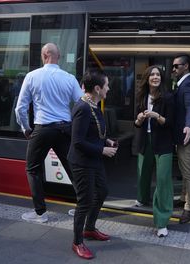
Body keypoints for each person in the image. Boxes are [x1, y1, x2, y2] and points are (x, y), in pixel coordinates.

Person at [15, 43, 83, 223]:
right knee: (72, 167)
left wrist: (26, 128)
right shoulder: (69, 78)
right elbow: (81, 105)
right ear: (58, 56)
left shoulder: (32, 76)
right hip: (65, 128)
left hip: (43, 129)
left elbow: (20, 108)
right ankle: (82, 208)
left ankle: (40, 213)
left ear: (44, 55)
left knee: (32, 169)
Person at [67, 69, 118, 259]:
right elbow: (78, 141)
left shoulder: (94, 104)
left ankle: (89, 229)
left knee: (102, 191)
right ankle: (77, 241)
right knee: (85, 200)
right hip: (81, 162)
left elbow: (94, 132)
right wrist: (102, 150)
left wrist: (106, 141)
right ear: (97, 88)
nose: (109, 88)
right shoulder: (82, 108)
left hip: (93, 159)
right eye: (106, 85)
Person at [134, 65, 174, 237]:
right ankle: (142, 198)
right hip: (145, 141)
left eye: (158, 74)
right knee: (143, 172)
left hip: (164, 143)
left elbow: (171, 122)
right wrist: (140, 118)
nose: (155, 77)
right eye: (152, 74)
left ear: (161, 78)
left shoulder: (168, 97)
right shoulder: (141, 96)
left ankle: (162, 222)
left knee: (163, 180)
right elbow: (135, 123)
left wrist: (156, 116)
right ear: (147, 78)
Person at [172, 54, 190, 224]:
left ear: (186, 66)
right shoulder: (182, 83)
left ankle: (188, 208)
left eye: (176, 66)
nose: (173, 69)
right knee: (183, 170)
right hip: (180, 137)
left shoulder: (188, 84)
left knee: (188, 173)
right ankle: (183, 197)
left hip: (186, 137)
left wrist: (189, 125)